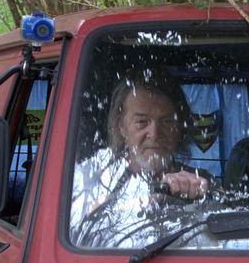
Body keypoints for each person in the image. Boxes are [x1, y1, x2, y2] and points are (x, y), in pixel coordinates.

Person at [70, 69, 211, 246]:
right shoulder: (90, 182)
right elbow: (74, 237)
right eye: (142, 122)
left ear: (179, 128)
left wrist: (200, 199)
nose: (154, 134)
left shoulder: (202, 182)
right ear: (122, 127)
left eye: (166, 122)